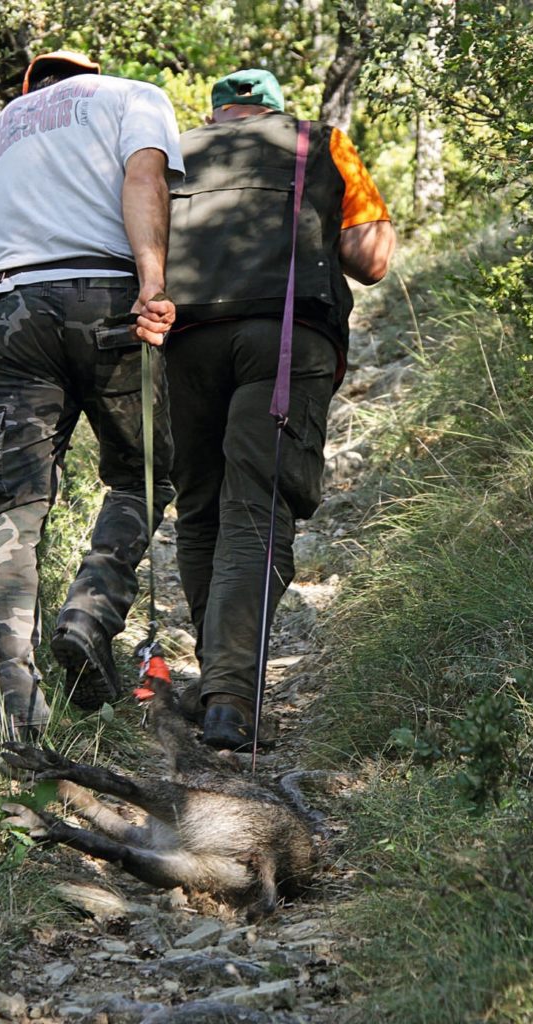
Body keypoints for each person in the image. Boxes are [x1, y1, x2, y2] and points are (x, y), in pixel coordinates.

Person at [165, 69, 396, 751]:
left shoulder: (170, 151)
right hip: (286, 339)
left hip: (183, 345)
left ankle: (216, 685)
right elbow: (370, 258)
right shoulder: (319, 143)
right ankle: (230, 699)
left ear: (217, 113)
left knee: (200, 506)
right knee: (256, 507)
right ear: (272, 108)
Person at [0, 50, 185, 741]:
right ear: (89, 73)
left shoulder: (2, 128)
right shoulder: (131, 94)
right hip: (106, 298)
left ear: (35, 88)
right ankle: (89, 613)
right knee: (145, 472)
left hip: (10, 306)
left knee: (13, 508)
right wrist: (153, 282)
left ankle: (13, 711)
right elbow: (144, 176)